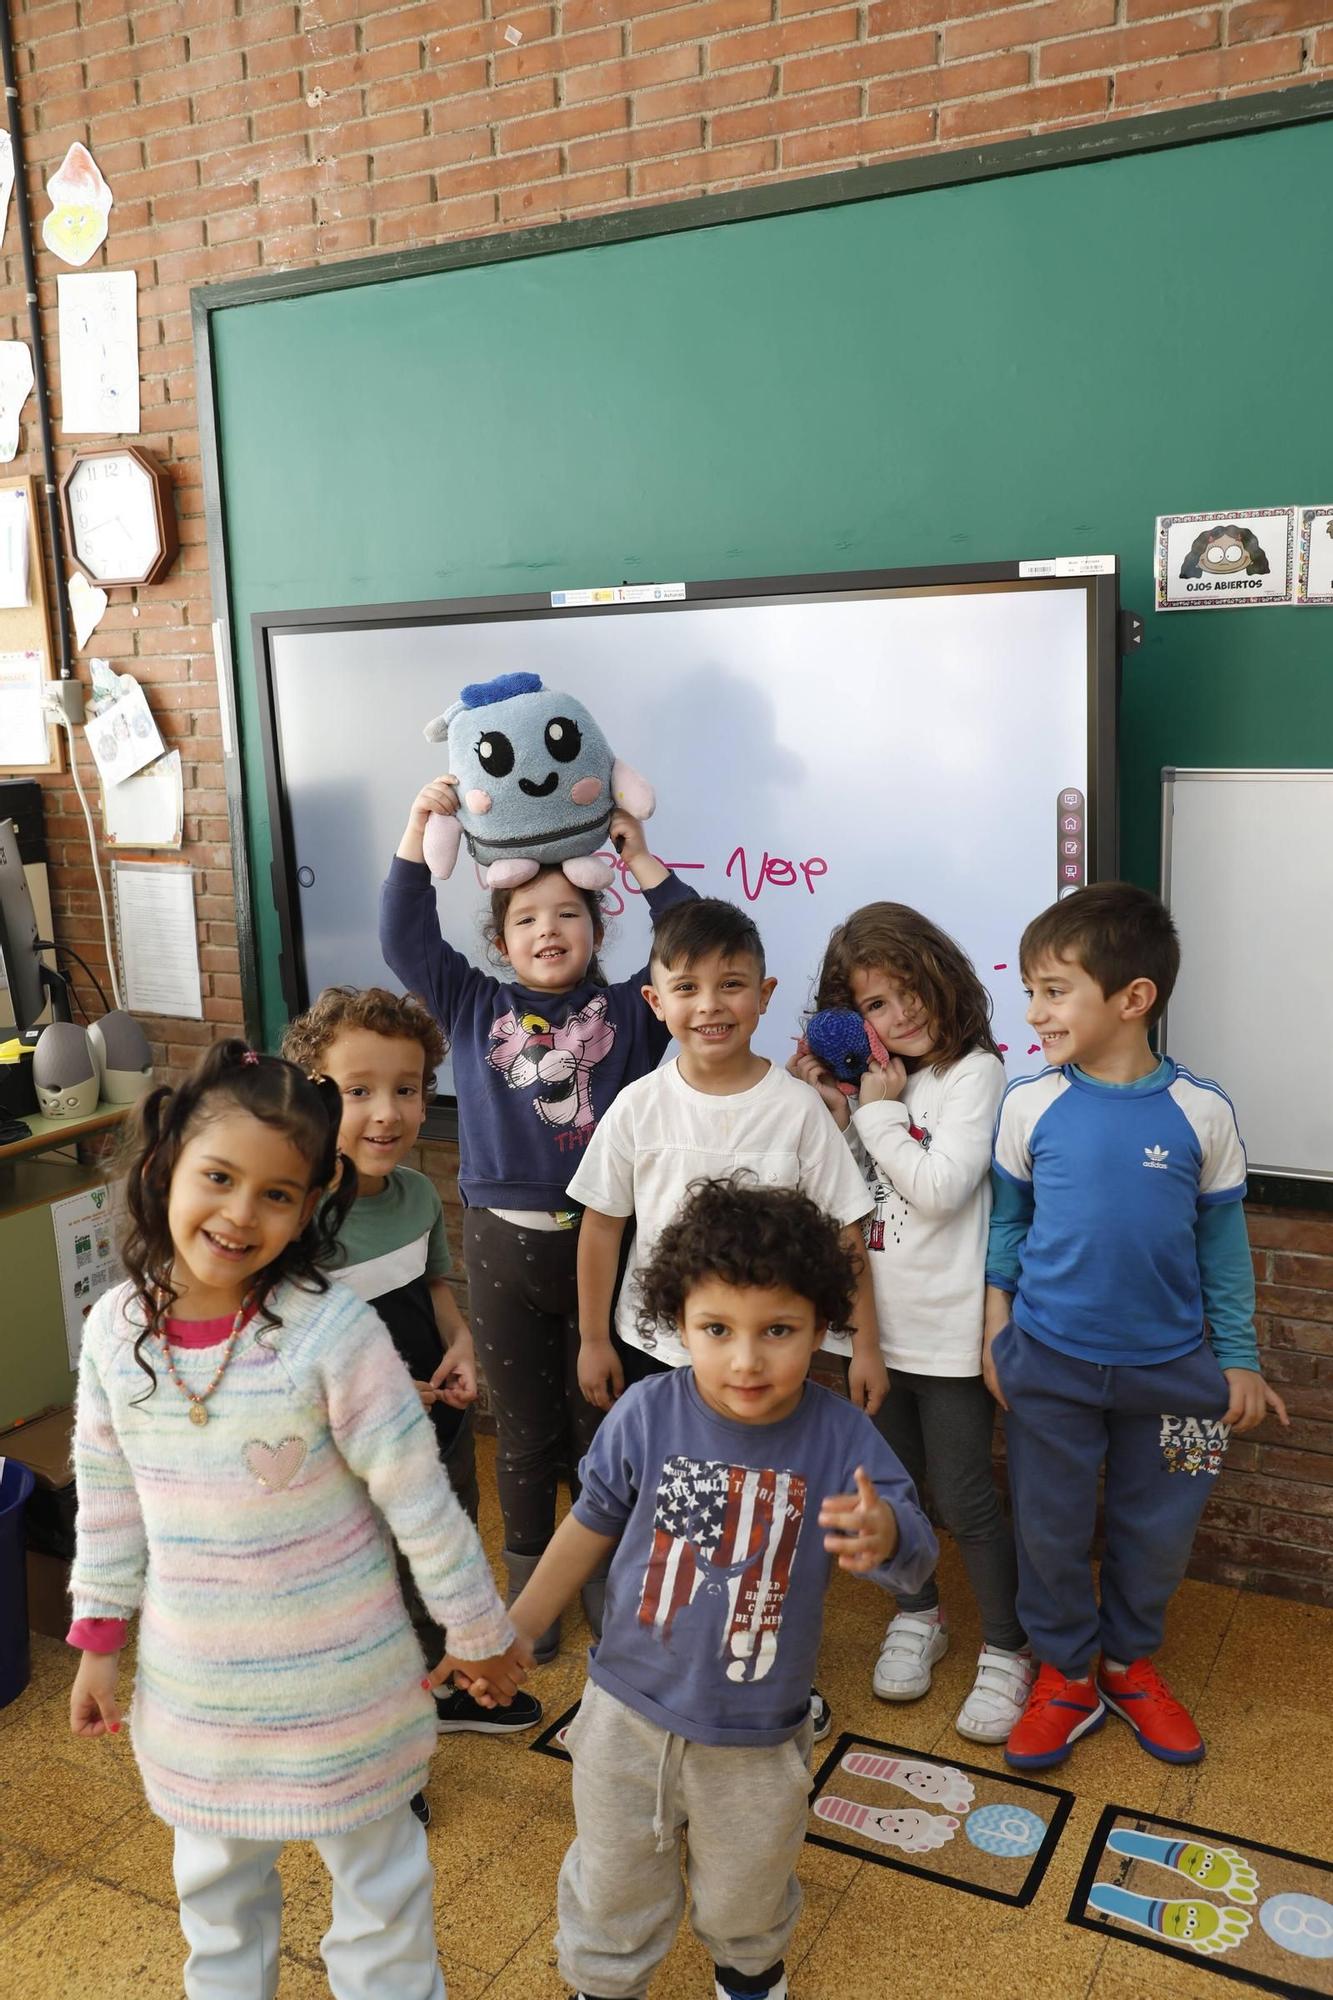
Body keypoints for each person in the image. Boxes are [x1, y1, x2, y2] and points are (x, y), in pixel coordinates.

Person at [67, 1040, 529, 2000]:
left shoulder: (332, 1333)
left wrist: (478, 1633)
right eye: (219, 1178)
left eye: (277, 1194)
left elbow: (419, 1501)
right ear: (162, 1170)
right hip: (200, 1701)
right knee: (218, 1906)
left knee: (382, 1895)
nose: (240, 1214)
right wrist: (99, 1643)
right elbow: (108, 1499)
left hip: (347, 1694)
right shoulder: (115, 1331)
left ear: (313, 1207)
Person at [463, 1177, 935, 2000]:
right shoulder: (645, 1414)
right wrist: (518, 1626)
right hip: (623, 1715)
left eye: (778, 1331)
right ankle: (604, 1983)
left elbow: (916, 1558)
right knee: (611, 1881)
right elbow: (587, 1531)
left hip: (756, 1732)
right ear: (677, 1321)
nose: (746, 1359)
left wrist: (888, 1537)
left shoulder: (839, 1435)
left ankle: (748, 1978)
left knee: (748, 1891)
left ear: (820, 1327)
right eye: (717, 1329)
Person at [380, 780, 697, 1659]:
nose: (547, 930)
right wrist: (417, 831)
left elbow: (693, 948)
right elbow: (404, 937)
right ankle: (529, 1591)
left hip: (609, 1247)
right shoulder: (474, 1004)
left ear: (598, 929)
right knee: (521, 1436)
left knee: (604, 1430)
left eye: (568, 914)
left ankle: (596, 1576)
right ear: (500, 938)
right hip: (501, 1246)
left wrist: (640, 860)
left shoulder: (635, 1013)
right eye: (525, 919)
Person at [984, 883, 1290, 1771]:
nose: (1033, 1011)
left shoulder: (1202, 1112)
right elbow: (1005, 1230)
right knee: (1047, 1527)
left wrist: (1236, 1360)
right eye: (1030, 990)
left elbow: (1223, 1250)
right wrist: (996, 1334)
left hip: (1181, 1378)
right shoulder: (1027, 1104)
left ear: (1132, 998)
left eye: (1052, 990)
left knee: (1159, 1530)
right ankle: (1065, 1676)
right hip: (1046, 1364)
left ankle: (1126, 1663)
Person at [792, 902, 1031, 1744]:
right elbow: (846, 1191)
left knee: (966, 1498)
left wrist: (874, 1110)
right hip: (872, 1332)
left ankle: (1006, 1648)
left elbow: (938, 1186)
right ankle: (918, 1612)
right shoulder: (867, 1089)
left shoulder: (974, 1074)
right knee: (890, 1490)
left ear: (944, 974)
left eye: (910, 989)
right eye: (876, 1005)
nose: (903, 1014)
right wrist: (826, 1101)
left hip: (949, 1336)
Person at [282, 982, 543, 1743]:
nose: (386, 1112)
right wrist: (385, 1397)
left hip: (440, 1435)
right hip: (349, 1460)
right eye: (358, 1091)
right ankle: (379, 1743)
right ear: (314, 1097)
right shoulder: (295, 1221)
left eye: (405, 1089)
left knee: (441, 1561)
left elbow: (431, 1288)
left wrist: (459, 1343)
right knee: (370, 1597)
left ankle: (443, 1686)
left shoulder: (419, 1195)